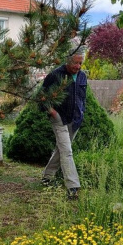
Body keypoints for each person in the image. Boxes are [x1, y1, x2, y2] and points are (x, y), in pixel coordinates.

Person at [40, 54, 87, 200]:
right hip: (59, 118)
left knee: (62, 149)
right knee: (67, 151)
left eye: (80, 63)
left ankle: (47, 177)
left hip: (75, 119)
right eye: (75, 63)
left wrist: (82, 111)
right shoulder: (55, 75)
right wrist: (51, 111)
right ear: (67, 61)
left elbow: (83, 98)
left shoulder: (82, 76)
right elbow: (41, 96)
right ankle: (73, 187)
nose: (78, 66)